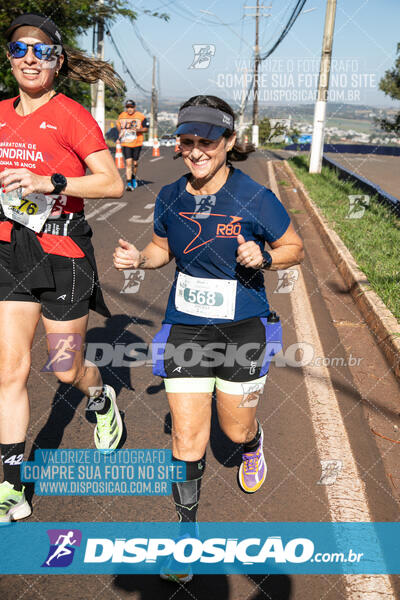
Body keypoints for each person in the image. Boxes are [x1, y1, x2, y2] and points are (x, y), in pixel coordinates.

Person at [113, 94, 304, 581]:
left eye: (207, 141)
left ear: (229, 142)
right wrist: (140, 260)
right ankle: (185, 535)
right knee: (187, 435)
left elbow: (294, 247)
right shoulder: (172, 196)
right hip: (186, 327)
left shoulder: (254, 197)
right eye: (187, 141)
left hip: (243, 328)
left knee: (234, 430)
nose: (196, 150)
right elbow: (160, 249)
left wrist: (265, 258)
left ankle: (254, 442)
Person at [0, 13, 125, 523]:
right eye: (19, 49)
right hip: (11, 252)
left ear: (57, 60)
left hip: (64, 255)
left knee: (64, 367)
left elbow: (112, 183)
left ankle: (100, 398)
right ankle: (11, 484)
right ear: (9, 57)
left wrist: (50, 182)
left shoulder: (71, 115)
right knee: (10, 370)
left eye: (42, 51)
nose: (30, 59)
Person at [117, 100, 149, 191]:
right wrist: (121, 132)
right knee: (128, 163)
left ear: (134, 107)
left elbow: (146, 129)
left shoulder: (140, 116)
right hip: (126, 143)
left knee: (135, 163)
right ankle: (128, 183)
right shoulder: (122, 115)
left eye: (131, 107)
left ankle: (133, 177)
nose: (129, 109)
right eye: (127, 107)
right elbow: (118, 125)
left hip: (137, 143)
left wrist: (137, 130)